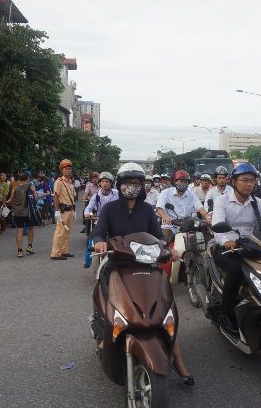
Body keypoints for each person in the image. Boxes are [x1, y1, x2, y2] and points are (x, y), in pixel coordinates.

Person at [91, 163, 193, 386]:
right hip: (117, 264)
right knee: (108, 296)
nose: (132, 187)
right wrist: (99, 242)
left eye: (136, 183)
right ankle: (105, 335)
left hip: (146, 264)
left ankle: (177, 357)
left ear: (142, 186)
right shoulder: (109, 208)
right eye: (127, 183)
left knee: (166, 307)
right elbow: (99, 231)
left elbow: (157, 236)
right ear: (120, 185)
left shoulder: (147, 209)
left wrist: (169, 248)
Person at [211, 163, 261, 333]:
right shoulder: (222, 201)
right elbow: (217, 225)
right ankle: (225, 313)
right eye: (244, 180)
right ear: (234, 182)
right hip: (227, 248)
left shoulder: (257, 202)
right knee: (237, 271)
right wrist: (226, 241)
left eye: (252, 180)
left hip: (252, 245)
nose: (249, 184)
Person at [156, 170, 210, 241]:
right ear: (175, 182)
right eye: (181, 181)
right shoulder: (165, 193)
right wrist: (165, 217)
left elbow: (200, 207)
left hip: (187, 227)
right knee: (165, 245)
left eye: (186, 182)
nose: (184, 184)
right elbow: (159, 208)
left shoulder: (191, 194)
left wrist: (207, 217)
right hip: (169, 226)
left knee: (199, 243)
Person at [51, 159, 77, 260]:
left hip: (70, 210)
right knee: (60, 232)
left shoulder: (70, 182)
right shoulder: (59, 182)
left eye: (69, 169)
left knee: (67, 232)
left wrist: (74, 210)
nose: (68, 171)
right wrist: (56, 210)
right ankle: (55, 253)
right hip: (62, 211)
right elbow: (56, 197)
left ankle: (64, 251)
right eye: (66, 169)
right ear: (62, 170)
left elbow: (72, 197)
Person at [8, 172, 39, 258]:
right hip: (29, 212)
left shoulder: (15, 188)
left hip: (18, 212)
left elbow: (10, 200)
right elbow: (36, 198)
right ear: (28, 178)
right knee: (31, 228)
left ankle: (20, 251)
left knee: (19, 230)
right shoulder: (31, 187)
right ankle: (30, 246)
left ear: (19, 179)